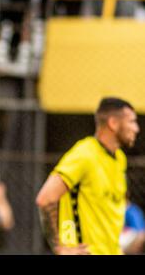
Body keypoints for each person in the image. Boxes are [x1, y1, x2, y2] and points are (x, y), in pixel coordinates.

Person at [36, 97, 140, 255]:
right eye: (131, 122)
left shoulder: (119, 159)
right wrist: (59, 247)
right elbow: (45, 199)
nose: (136, 128)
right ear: (113, 123)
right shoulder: (85, 154)